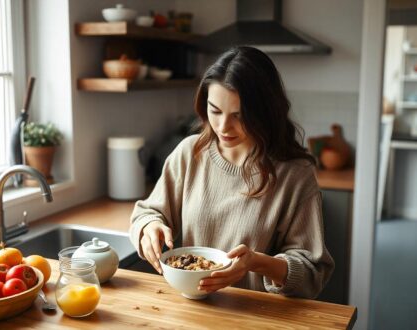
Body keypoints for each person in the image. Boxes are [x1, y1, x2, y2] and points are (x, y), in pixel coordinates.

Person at [129, 46, 334, 299]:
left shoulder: (295, 174)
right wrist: (149, 226)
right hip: (191, 312)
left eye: (239, 116)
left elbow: (312, 272)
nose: (223, 127)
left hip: (254, 317)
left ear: (265, 113)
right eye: (215, 111)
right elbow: (148, 212)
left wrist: (257, 263)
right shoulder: (188, 153)